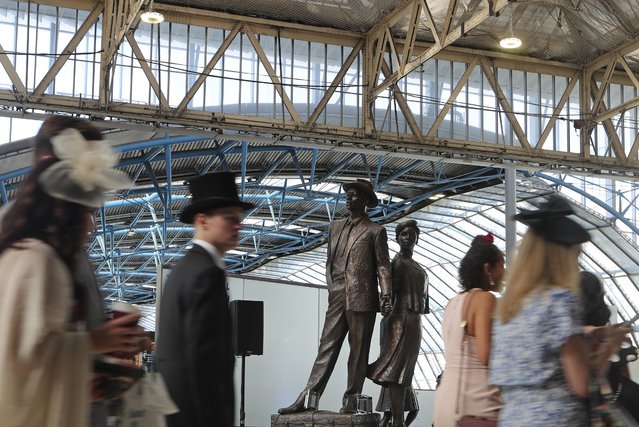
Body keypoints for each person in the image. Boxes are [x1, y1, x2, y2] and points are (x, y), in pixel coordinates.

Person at [0, 125, 142, 427]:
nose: (91, 226)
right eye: (86, 211)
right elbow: (20, 360)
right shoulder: (37, 260)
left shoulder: (29, 250)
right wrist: (93, 342)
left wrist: (91, 366)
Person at [490, 195, 630, 426]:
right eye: (575, 256)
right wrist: (609, 348)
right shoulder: (558, 301)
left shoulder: (508, 308)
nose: (576, 265)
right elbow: (583, 383)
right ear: (561, 257)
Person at [278, 179, 392, 414]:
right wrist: (332, 288)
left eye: (353, 195)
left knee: (358, 352)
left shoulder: (375, 231)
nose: (348, 198)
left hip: (363, 296)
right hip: (338, 293)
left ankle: (351, 401)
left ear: (365, 200)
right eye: (347, 194)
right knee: (326, 347)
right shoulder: (336, 226)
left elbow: (383, 266)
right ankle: (308, 397)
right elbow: (330, 261)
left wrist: (386, 294)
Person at [157, 172, 254, 427]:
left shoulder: (182, 271)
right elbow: (204, 365)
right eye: (229, 218)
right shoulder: (206, 274)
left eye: (239, 219)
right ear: (203, 221)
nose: (238, 226)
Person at [433, 232, 504, 427]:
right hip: (475, 404)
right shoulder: (484, 299)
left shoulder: (452, 303)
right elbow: (485, 355)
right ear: (487, 269)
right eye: (501, 265)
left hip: (445, 402)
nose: (504, 272)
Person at [368, 220, 427, 427]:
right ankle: (398, 421)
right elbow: (389, 292)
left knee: (405, 371)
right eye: (404, 234)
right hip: (399, 318)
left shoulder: (417, 266)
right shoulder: (397, 263)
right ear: (397, 238)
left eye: (412, 235)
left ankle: (399, 421)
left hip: (414, 321)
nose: (409, 238)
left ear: (417, 239)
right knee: (395, 369)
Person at [579, 271, 639, 424]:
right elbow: (624, 375)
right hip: (622, 399)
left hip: (588, 410)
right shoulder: (607, 334)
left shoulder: (568, 337)